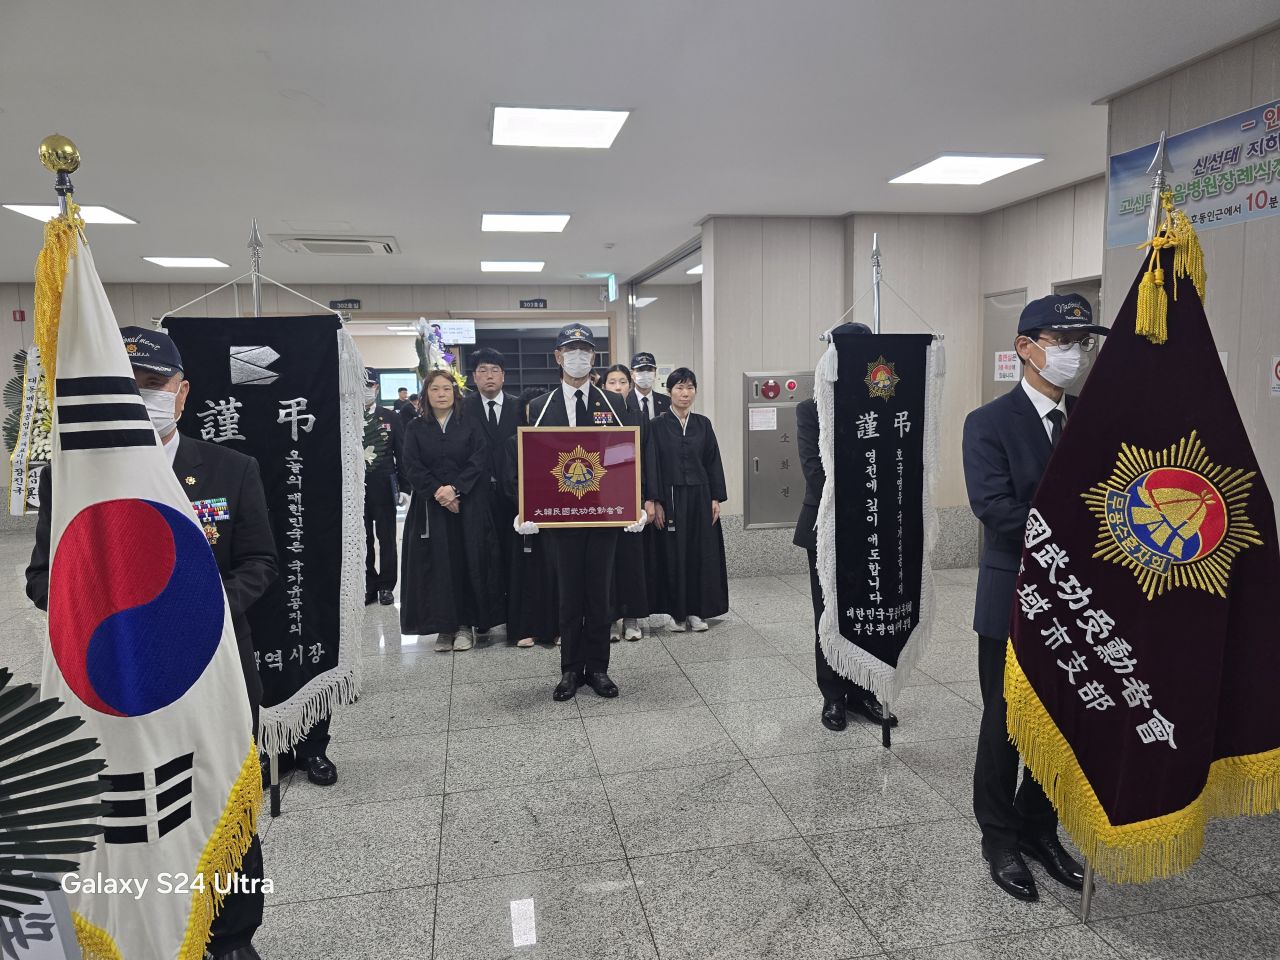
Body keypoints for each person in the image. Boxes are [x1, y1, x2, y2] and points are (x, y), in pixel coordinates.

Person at [25, 327, 275, 960]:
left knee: (222, 796)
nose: (141, 397)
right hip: (114, 680)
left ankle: (232, 934)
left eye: (153, 384)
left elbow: (260, 563)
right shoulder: (71, 477)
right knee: (133, 809)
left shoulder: (230, 468)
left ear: (182, 393)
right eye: (125, 385)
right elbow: (40, 578)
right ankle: (141, 930)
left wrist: (191, 616)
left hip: (211, 673)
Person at [962, 294, 1104, 902]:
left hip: (1077, 602)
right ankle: (999, 837)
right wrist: (1082, 527)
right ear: (1026, 347)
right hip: (1012, 597)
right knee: (1005, 722)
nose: (1076, 353)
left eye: (1082, 343)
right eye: (1063, 341)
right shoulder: (989, 423)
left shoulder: (1093, 421)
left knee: (1061, 721)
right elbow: (995, 508)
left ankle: (1039, 827)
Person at [513, 324, 653, 700]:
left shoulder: (614, 403)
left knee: (600, 595)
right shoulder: (539, 406)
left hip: (604, 514)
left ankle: (599, 668)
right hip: (561, 518)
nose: (578, 356)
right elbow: (531, 461)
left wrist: (635, 503)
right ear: (558, 357)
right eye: (571, 350)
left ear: (594, 357)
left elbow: (625, 456)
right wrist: (525, 509)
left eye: (585, 350)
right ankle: (570, 670)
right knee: (569, 596)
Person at [793, 323, 897, 732]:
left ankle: (865, 690)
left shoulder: (882, 403)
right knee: (830, 614)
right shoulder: (811, 408)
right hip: (827, 525)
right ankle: (834, 695)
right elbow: (814, 470)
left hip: (872, 526)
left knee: (868, 610)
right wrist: (858, 500)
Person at [400, 369, 503, 651]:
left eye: (446, 388)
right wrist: (439, 492)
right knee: (438, 565)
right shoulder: (415, 427)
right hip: (430, 507)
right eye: (435, 389)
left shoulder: (469, 423)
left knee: (468, 561)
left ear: (455, 393)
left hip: (468, 504)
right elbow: (411, 464)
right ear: (426, 394)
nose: (441, 394)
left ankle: (466, 625)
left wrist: (455, 489)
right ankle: (444, 627)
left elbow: (479, 458)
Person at [648, 368, 729, 631]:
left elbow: (713, 461)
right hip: (670, 497)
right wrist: (655, 500)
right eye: (679, 388)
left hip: (700, 496)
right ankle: (675, 613)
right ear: (669, 391)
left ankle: (697, 611)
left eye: (690, 387)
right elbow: (652, 464)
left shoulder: (703, 424)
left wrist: (715, 497)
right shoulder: (656, 425)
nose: (685, 393)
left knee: (699, 552)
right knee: (673, 554)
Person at [463, 348, 519, 630]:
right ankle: (483, 618)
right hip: (477, 493)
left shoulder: (520, 406)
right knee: (482, 555)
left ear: (503, 376)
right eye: (482, 371)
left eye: (495, 370)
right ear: (474, 377)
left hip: (513, 494)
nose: (489, 376)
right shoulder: (463, 408)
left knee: (513, 553)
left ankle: (515, 617)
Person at [502, 388, 561, 648]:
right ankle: (525, 628)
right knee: (525, 575)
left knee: (556, 574)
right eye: (532, 410)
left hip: (557, 519)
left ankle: (557, 629)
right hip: (526, 521)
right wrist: (528, 510)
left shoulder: (561, 441)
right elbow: (509, 482)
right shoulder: (513, 443)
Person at [602, 364, 648, 640]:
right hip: (601, 498)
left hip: (632, 496)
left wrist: (648, 498)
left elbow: (648, 457)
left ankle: (632, 618)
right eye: (612, 382)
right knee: (605, 559)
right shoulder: (595, 415)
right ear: (603, 386)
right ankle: (608, 617)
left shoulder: (638, 416)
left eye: (622, 382)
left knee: (631, 558)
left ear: (630, 386)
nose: (617, 387)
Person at [362, 368, 411, 606]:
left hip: (383, 486)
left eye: (369, 386)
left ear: (377, 388)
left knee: (387, 538)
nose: (365, 390)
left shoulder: (390, 416)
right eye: (361, 386)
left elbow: (401, 453)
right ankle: (368, 584)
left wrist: (405, 487)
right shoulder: (347, 417)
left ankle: (386, 586)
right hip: (356, 490)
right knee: (362, 539)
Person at [629, 351, 670, 422]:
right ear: (632, 374)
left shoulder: (667, 401)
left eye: (649, 370)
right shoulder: (624, 401)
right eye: (640, 370)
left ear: (655, 373)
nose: (645, 374)